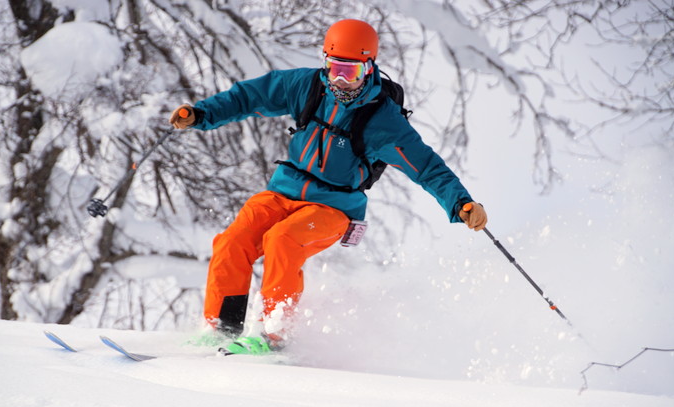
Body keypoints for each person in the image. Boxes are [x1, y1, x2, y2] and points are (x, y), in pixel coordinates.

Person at [169, 19, 487, 354]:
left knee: (283, 240)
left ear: (368, 68)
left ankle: (272, 334)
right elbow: (250, 96)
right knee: (233, 242)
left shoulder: (383, 121)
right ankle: (222, 328)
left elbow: (427, 167)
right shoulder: (307, 87)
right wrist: (201, 113)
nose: (339, 80)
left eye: (349, 72)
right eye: (333, 68)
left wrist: (461, 203)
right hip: (282, 192)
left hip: (333, 209)